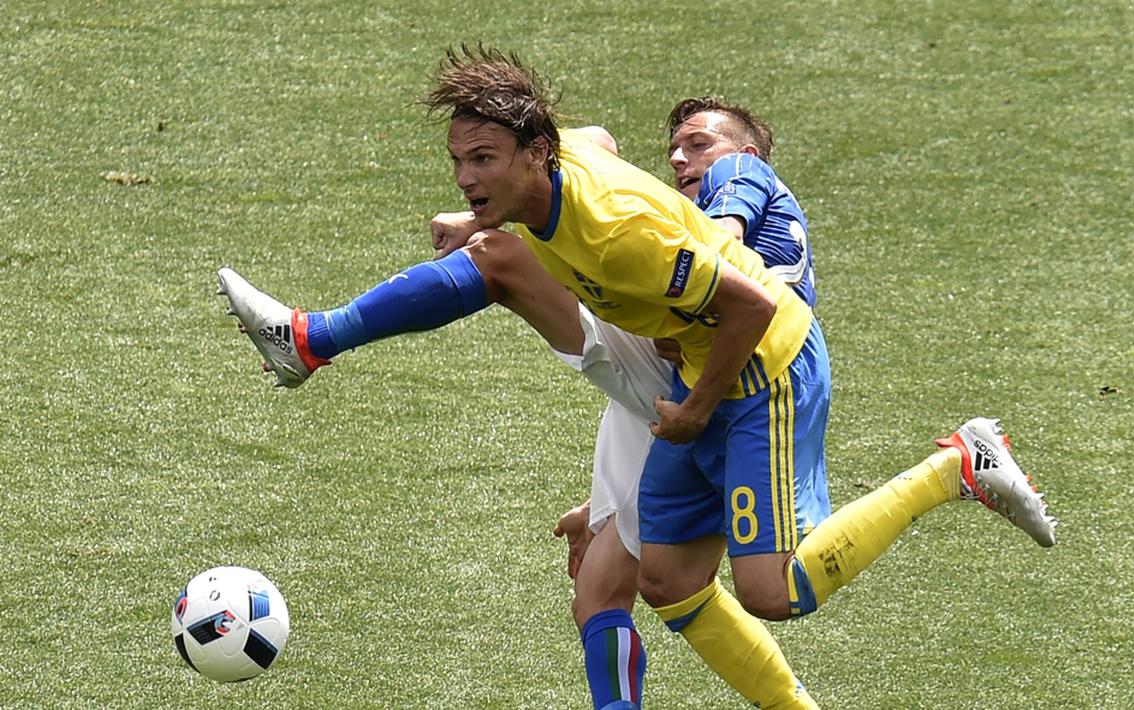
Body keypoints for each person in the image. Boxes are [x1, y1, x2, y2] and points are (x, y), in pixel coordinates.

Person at [219, 47, 1057, 708]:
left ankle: (954, 467)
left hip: (750, 375)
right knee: (650, 579)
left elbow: (747, 309)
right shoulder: (568, 170)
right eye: (459, 161)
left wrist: (693, 409)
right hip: (684, 366)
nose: (467, 177)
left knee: (773, 591)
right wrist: (482, 202)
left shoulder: (642, 226)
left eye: (483, 159)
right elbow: (598, 143)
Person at [220, 93, 825, 707]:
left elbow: (741, 291)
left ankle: (312, 339)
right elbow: (598, 136)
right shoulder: (647, 201)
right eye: (677, 148)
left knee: (500, 262)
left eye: (701, 144)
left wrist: (488, 223)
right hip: (671, 393)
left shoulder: (735, 188)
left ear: (745, 154)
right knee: (604, 590)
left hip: (708, 384)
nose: (680, 157)